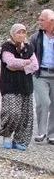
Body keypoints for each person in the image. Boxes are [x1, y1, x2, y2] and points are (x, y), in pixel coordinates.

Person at [0, 24, 38, 150]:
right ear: (12, 34)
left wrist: (19, 67)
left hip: (26, 85)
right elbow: (10, 62)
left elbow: (35, 65)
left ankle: (20, 140)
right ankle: (7, 135)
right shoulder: (7, 47)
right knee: (12, 113)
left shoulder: (29, 47)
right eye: (18, 33)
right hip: (10, 85)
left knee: (26, 116)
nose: (21, 35)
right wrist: (26, 63)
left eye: (23, 32)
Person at [31, 9, 54, 144]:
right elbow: (29, 54)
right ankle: (41, 132)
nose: (39, 22)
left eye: (42, 20)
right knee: (44, 103)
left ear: (51, 21)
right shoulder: (36, 37)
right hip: (40, 74)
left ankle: (52, 135)